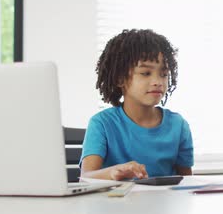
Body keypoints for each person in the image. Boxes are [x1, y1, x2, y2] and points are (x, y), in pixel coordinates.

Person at [80, 29, 194, 180]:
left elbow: (187, 182)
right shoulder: (102, 123)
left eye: (164, 74)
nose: (158, 82)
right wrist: (113, 172)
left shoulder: (178, 125)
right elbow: (86, 177)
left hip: (165, 203)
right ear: (120, 79)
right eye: (146, 73)